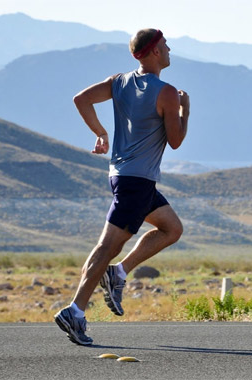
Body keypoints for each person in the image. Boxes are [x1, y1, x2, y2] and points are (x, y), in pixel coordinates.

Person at [54, 28, 190, 345]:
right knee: (107, 247)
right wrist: (185, 110)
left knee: (172, 228)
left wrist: (100, 133)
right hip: (137, 181)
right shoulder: (167, 92)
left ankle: (119, 272)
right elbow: (176, 141)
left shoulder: (119, 81)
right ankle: (75, 311)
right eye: (166, 46)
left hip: (124, 176)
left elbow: (81, 99)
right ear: (155, 51)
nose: (170, 50)